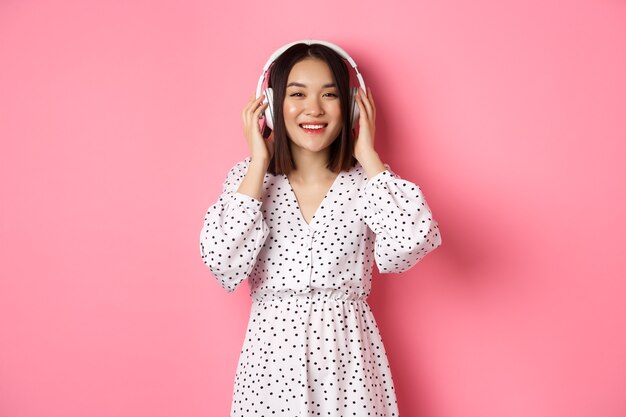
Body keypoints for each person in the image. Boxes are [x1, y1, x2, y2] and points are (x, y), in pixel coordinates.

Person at [200, 40, 442, 416]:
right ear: (271, 104)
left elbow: (413, 240)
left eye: (329, 94)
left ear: (351, 105)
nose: (314, 108)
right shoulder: (248, 182)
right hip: (270, 370)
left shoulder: (369, 182)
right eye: (297, 94)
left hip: (349, 366)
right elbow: (222, 263)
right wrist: (257, 163)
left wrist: (370, 156)